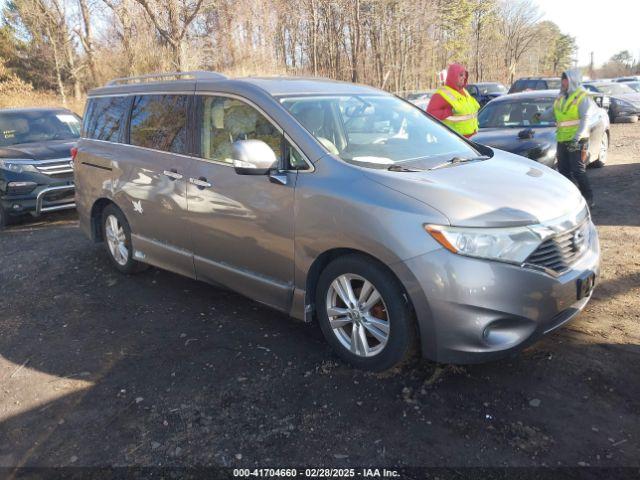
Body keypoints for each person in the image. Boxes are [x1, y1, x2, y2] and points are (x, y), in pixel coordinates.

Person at [554, 69, 595, 208]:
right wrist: (539, 116)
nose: (563, 82)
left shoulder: (583, 97)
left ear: (572, 80)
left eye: (565, 79)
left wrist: (576, 139)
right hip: (562, 139)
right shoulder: (561, 97)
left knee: (578, 170)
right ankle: (573, 196)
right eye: (562, 79)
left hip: (577, 140)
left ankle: (589, 198)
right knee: (563, 170)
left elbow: (585, 120)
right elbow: (552, 112)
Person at [427, 63, 480, 138]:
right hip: (454, 140)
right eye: (461, 75)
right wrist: (448, 112)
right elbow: (429, 114)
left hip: (471, 139)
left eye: (465, 75)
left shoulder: (464, 91)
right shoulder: (441, 94)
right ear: (453, 76)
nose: (464, 77)